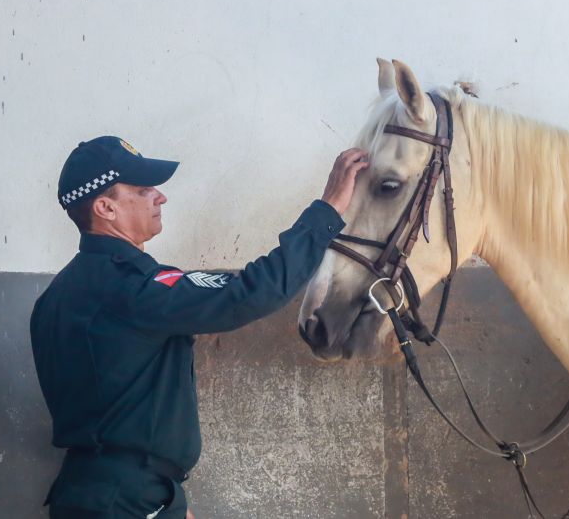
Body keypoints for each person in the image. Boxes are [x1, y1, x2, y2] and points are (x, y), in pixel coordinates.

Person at [30, 136, 369, 518]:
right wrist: (328, 210)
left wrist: (167, 499)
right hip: (126, 499)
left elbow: (122, 398)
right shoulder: (134, 287)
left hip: (109, 492)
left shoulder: (55, 297)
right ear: (106, 208)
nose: (160, 197)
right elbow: (252, 291)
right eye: (143, 190)